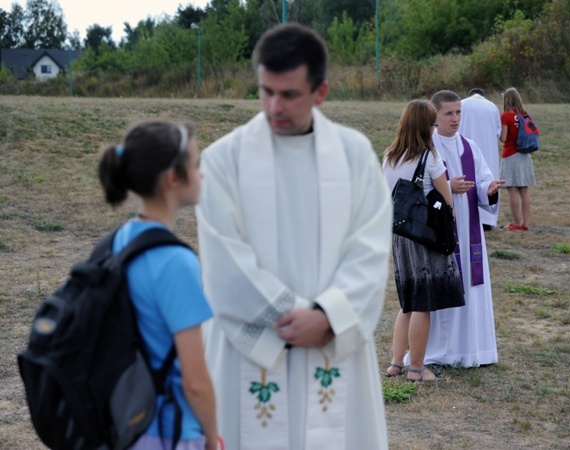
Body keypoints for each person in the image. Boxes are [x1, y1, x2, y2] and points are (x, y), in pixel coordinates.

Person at [196, 24, 392, 450]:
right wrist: (293, 317)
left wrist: (328, 316)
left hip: (332, 342)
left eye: (289, 95)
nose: (273, 106)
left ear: (320, 92)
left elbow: (372, 250)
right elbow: (224, 263)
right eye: (266, 91)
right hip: (250, 346)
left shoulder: (354, 155)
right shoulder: (223, 160)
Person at [98, 120, 220, 450]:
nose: (202, 175)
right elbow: (194, 381)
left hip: (124, 423)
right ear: (172, 179)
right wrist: (211, 438)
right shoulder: (176, 262)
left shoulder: (118, 241)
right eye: (195, 166)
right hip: (171, 430)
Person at [413, 90, 505, 368]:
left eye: (458, 112)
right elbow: (414, 187)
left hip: (468, 231)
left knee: (471, 286)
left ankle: (474, 350)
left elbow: (483, 181)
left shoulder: (470, 147)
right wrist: (447, 187)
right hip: (441, 231)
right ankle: (444, 350)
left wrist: (487, 190)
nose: (455, 119)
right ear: (435, 116)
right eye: (449, 113)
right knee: (445, 285)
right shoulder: (426, 148)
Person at [382, 99, 465, 381]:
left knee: (407, 302)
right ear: (424, 126)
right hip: (424, 237)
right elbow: (446, 198)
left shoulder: (390, 156)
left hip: (400, 236)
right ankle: (417, 368)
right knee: (423, 303)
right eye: (431, 123)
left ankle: (396, 363)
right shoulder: (429, 157)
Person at [458, 88, 503, 230]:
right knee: (488, 181)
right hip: (488, 149)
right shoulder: (492, 107)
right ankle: (487, 220)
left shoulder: (461, 104)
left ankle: (465, 217)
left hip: (464, 148)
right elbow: (498, 132)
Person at [500, 87, 536, 231]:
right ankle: (525, 224)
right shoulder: (525, 114)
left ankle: (516, 223)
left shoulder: (506, 116)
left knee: (512, 190)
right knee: (524, 191)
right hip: (525, 155)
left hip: (511, 155)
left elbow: (503, 138)